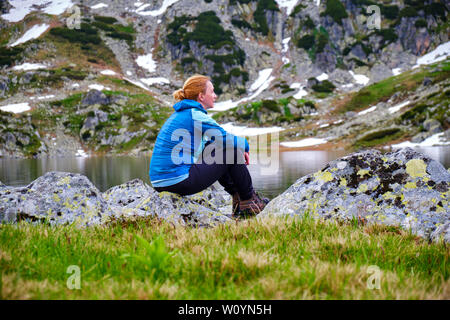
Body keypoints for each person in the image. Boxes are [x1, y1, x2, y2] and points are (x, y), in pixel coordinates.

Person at [149, 74, 269, 218]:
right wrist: (245, 147)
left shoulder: (182, 114)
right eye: (211, 91)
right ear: (201, 96)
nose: (215, 95)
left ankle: (239, 199)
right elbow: (226, 139)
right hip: (178, 181)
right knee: (232, 151)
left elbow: (213, 144)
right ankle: (249, 201)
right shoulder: (195, 115)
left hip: (160, 182)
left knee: (217, 149)